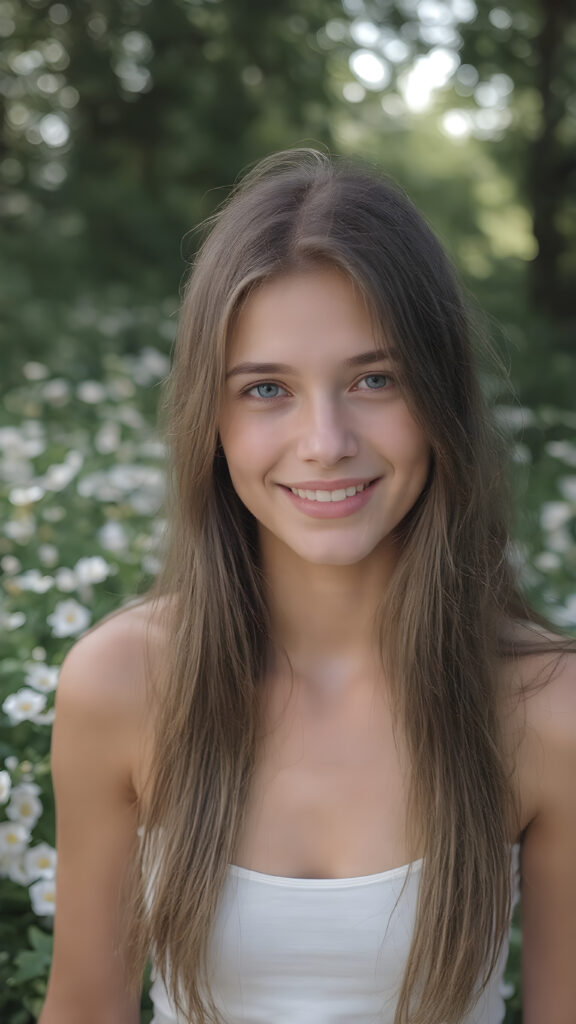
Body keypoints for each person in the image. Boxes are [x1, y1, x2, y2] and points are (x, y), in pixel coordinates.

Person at [39, 149, 576, 1024]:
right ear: (209, 422)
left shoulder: (549, 706)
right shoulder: (122, 681)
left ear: (440, 396)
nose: (325, 441)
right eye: (266, 390)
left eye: (374, 379)